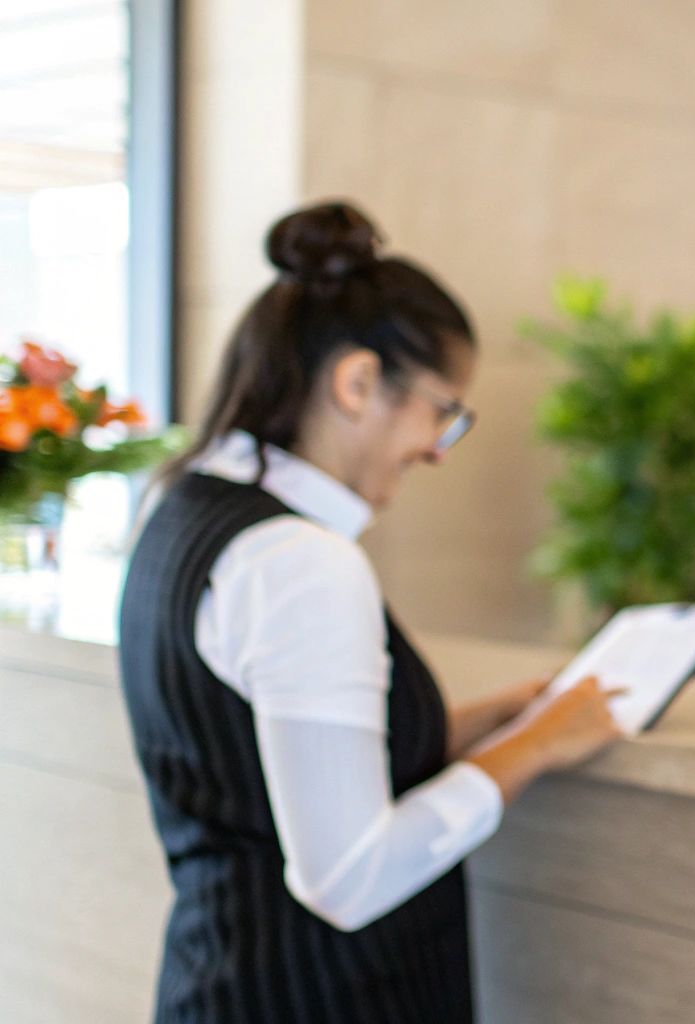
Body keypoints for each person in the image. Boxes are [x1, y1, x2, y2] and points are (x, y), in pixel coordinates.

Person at [118, 201, 625, 1022]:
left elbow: (265, 754)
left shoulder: (184, 506)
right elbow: (346, 878)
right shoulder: (301, 564)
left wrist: (479, 722)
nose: (437, 447)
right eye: (442, 412)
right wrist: (534, 748)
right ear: (357, 382)